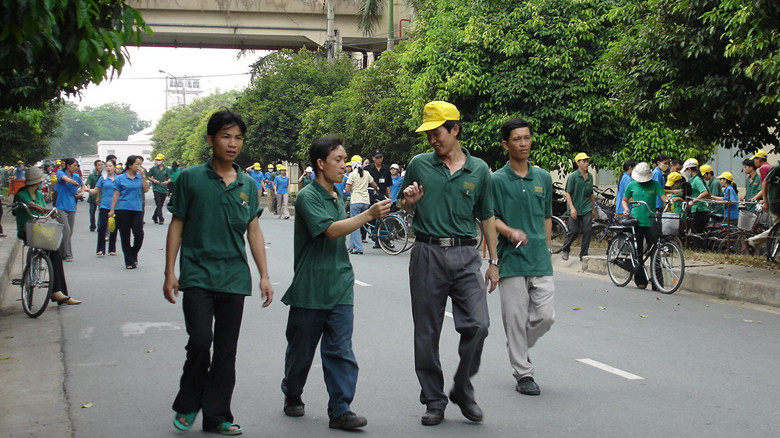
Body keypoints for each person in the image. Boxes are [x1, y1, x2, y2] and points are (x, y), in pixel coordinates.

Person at [164, 109, 273, 436]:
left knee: (226, 350)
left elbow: (254, 231)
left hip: (233, 278)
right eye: (225, 136)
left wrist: (264, 275)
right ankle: (187, 404)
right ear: (211, 140)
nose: (232, 143)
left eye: (238, 137)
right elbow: (177, 224)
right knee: (200, 340)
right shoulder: (190, 178)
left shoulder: (247, 184)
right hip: (196, 273)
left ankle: (217, 416)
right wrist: (170, 272)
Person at [281, 134, 390, 431]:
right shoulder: (308, 196)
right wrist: (367, 213)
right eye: (338, 160)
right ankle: (292, 391)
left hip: (340, 283)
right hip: (310, 288)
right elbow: (329, 231)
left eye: (345, 159)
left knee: (340, 350)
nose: (344, 165)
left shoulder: (335, 194)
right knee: (301, 352)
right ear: (320, 163)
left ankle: (340, 409)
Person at [400, 101, 499, 426]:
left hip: (466, 255)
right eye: (428, 134)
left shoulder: (480, 169)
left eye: (437, 132)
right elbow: (403, 204)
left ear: (455, 129)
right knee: (426, 332)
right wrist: (409, 203)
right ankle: (434, 400)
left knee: (478, 325)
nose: (432, 140)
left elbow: (486, 215)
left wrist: (494, 261)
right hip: (426, 253)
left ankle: (462, 387)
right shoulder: (419, 164)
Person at [491, 118, 555, 396]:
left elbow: (547, 216)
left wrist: (548, 247)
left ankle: (517, 345)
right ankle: (523, 373)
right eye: (517, 139)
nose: (523, 144)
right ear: (506, 144)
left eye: (527, 138)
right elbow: (488, 218)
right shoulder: (496, 180)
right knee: (515, 319)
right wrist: (509, 232)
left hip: (540, 258)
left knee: (546, 316)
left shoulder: (543, 177)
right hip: (512, 261)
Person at [12, 166, 81, 305]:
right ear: (37, 182)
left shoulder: (38, 194)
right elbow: (33, 206)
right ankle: (56, 292)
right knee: (51, 250)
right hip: (27, 230)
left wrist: (49, 214)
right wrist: (46, 210)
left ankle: (59, 292)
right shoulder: (21, 194)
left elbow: (42, 212)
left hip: (40, 229)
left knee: (55, 253)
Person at [621, 162, 669, 289]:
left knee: (655, 252)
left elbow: (663, 197)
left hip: (651, 221)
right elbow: (624, 200)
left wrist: (670, 200)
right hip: (636, 221)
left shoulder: (655, 184)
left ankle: (657, 283)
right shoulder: (631, 185)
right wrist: (626, 209)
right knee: (638, 252)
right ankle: (640, 279)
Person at [109, 155, 149, 269]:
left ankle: (133, 252)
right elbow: (116, 194)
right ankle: (129, 261)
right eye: (136, 164)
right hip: (123, 209)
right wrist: (112, 209)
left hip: (137, 208)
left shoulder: (140, 177)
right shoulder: (120, 178)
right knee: (125, 236)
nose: (138, 166)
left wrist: (144, 176)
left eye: (140, 164)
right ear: (130, 165)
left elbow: (146, 189)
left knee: (139, 234)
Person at [560, 152, 596, 261]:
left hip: (586, 208)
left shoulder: (590, 177)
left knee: (588, 231)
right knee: (574, 231)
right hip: (574, 207)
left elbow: (591, 194)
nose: (586, 163)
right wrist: (572, 208)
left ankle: (583, 255)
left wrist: (593, 209)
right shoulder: (573, 177)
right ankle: (566, 249)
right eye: (584, 161)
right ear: (578, 163)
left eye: (587, 161)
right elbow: (568, 193)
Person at [344, 155, 379, 254]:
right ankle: (351, 246)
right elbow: (374, 185)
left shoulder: (352, 174)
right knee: (359, 223)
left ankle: (358, 248)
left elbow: (347, 188)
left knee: (354, 226)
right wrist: (377, 189)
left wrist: (347, 189)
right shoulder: (366, 173)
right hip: (365, 202)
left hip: (355, 201)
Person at [54, 158, 83, 262]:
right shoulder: (60, 173)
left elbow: (82, 184)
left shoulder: (76, 176)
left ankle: (60, 253)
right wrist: (73, 182)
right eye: (74, 165)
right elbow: (64, 179)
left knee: (69, 232)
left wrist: (81, 193)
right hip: (61, 206)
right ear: (68, 166)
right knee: (66, 230)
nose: (76, 168)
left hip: (71, 206)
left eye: (77, 166)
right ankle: (68, 254)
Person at [87, 159, 118, 256]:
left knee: (113, 227)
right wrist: (88, 190)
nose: (108, 168)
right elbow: (95, 190)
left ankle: (112, 249)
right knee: (101, 227)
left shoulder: (119, 179)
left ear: (114, 167)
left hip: (116, 206)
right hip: (104, 205)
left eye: (110, 166)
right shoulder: (103, 179)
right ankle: (100, 249)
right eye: (107, 166)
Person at [682, 159, 710, 233]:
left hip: (699, 210)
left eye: (686, 170)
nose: (686, 172)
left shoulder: (697, 180)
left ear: (689, 169)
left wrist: (693, 201)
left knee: (696, 234)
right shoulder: (692, 180)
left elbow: (704, 192)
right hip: (696, 209)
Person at [147, 153, 171, 225]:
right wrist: (153, 180)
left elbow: (170, 178)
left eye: (159, 160)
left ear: (163, 160)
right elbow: (148, 176)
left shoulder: (166, 169)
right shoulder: (153, 168)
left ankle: (155, 216)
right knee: (158, 202)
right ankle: (161, 218)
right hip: (156, 188)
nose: (158, 161)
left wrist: (167, 182)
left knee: (160, 204)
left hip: (163, 188)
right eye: (157, 160)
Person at [84, 160, 104, 232]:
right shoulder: (92, 176)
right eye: (99, 165)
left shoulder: (104, 176)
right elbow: (88, 184)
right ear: (95, 166)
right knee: (92, 212)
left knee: (101, 212)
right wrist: (89, 190)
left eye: (102, 165)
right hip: (93, 197)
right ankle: (92, 225)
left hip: (101, 197)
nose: (101, 166)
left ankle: (99, 226)